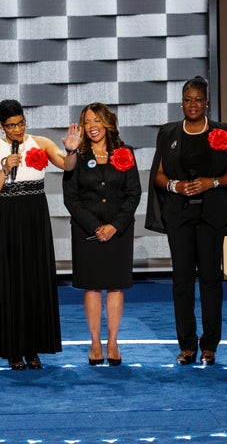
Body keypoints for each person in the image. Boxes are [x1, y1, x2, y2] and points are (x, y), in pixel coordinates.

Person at [145, 77, 227, 366]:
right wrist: (176, 186)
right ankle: (187, 345)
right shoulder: (168, 133)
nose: (193, 105)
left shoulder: (223, 132)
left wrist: (209, 183)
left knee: (212, 280)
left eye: (198, 100)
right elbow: (159, 174)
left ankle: (210, 345)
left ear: (206, 103)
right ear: (182, 102)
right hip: (179, 214)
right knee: (182, 281)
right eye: (188, 100)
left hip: (211, 214)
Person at [0, 99, 81, 370]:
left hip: (34, 214)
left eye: (21, 123)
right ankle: (13, 349)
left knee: (34, 279)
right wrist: (4, 169)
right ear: (1, 126)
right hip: (5, 217)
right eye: (11, 125)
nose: (17, 129)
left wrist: (71, 150)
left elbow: (67, 165)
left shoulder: (41, 142)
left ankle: (34, 348)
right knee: (9, 281)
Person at [63, 103, 142, 366]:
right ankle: (95, 342)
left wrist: (115, 226)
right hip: (88, 231)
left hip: (118, 231)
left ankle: (113, 342)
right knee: (92, 286)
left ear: (108, 122)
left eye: (97, 120)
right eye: (87, 122)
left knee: (116, 286)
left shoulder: (125, 152)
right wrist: (95, 227)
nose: (92, 126)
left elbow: (134, 194)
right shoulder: (77, 154)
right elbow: (71, 198)